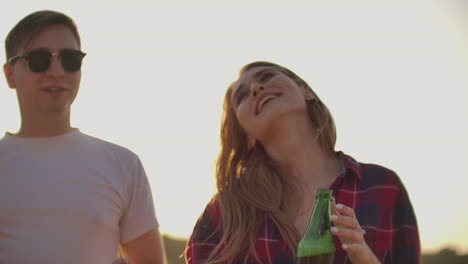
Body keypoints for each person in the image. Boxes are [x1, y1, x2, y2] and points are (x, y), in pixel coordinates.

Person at [185, 61, 420, 264]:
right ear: (246, 133)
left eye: (266, 77)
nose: (256, 88)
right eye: (242, 96)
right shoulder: (224, 212)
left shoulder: (383, 187)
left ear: (305, 90)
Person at [0, 10, 166, 264]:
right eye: (39, 59)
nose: (57, 71)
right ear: (10, 74)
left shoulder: (123, 164)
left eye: (70, 59)